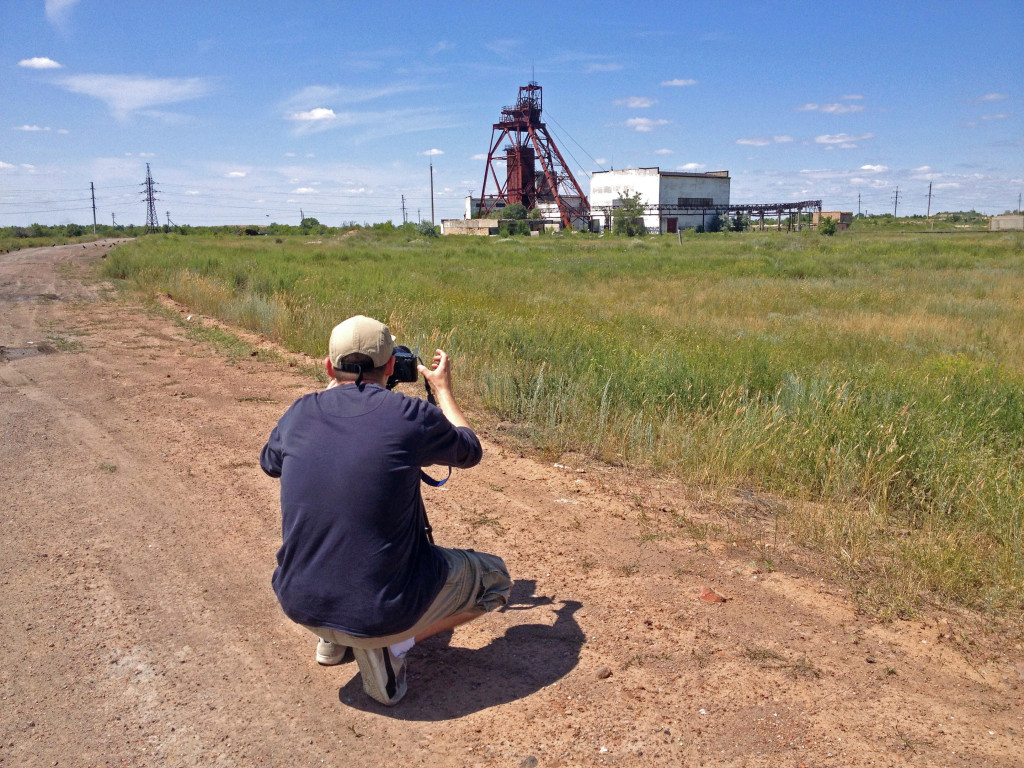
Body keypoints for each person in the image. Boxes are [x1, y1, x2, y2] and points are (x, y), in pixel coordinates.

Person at [260, 315, 511, 705]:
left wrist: (329, 397)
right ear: (392, 365)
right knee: (495, 578)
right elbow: (470, 449)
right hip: (376, 612)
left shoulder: (299, 414)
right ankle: (389, 647)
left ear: (328, 366)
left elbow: (270, 463)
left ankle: (331, 641)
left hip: (300, 601)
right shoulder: (409, 417)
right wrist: (442, 391)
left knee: (339, 521)